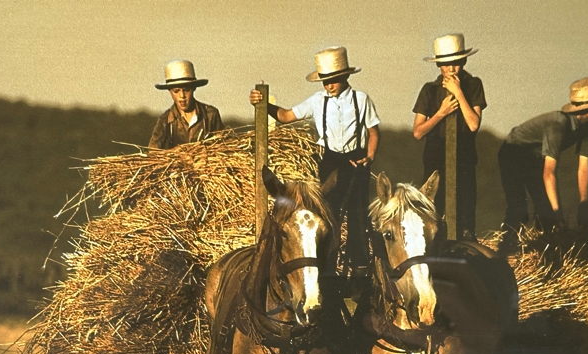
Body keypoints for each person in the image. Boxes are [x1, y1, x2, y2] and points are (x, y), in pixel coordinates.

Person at [249, 46, 380, 274]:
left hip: (356, 161)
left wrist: (369, 157)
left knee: (358, 213)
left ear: (346, 76)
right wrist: (263, 105)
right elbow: (286, 116)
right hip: (330, 161)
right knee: (327, 213)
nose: (329, 85)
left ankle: (360, 267)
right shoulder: (317, 101)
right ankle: (326, 265)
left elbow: (374, 132)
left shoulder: (361, 100)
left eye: (334, 80)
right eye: (325, 81)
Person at [498, 76, 588, 244]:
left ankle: (546, 245)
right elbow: (549, 173)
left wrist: (584, 204)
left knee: (545, 213)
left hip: (536, 158)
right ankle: (506, 247)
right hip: (513, 152)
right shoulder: (557, 125)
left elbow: (583, 167)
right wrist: (557, 213)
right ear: (587, 108)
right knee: (519, 209)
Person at [412, 34, 487, 241]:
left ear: (463, 61)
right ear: (439, 66)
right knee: (433, 213)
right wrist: (440, 113)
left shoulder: (473, 85)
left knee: (464, 219)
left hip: (464, 155)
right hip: (435, 155)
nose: (452, 69)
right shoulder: (429, 90)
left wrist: (458, 92)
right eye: (446, 64)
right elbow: (418, 131)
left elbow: (473, 123)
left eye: (456, 63)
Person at [149, 60, 224, 149]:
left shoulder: (210, 115)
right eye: (176, 91)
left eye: (186, 90)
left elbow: (223, 145)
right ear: (170, 91)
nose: (182, 96)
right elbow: (153, 151)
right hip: (177, 163)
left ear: (194, 88)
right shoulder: (165, 120)